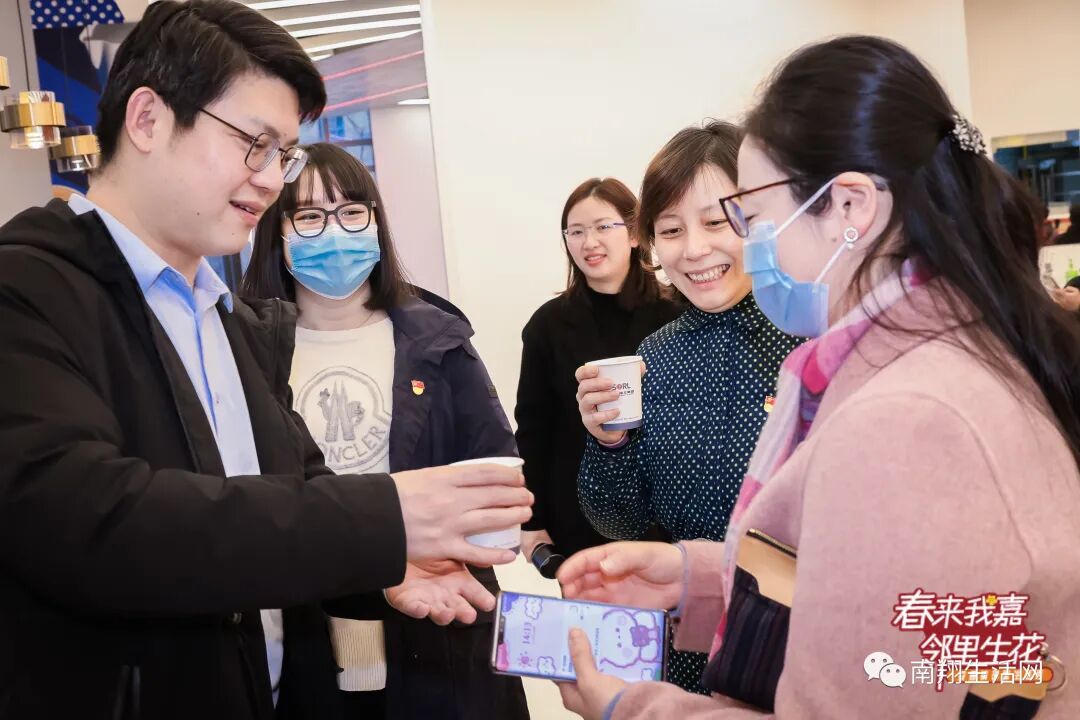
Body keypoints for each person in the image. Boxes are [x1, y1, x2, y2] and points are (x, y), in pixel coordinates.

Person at [0, 3, 531, 718]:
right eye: (255, 144)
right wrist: (384, 518)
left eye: (284, 153)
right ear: (148, 120)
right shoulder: (27, 290)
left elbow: (289, 490)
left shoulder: (230, 317)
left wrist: (384, 568)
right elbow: (97, 522)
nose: (272, 180)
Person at [556, 36, 1080, 720]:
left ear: (851, 208)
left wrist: (631, 707)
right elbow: (911, 629)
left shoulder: (909, 414)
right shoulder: (939, 353)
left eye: (748, 216)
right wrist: (702, 580)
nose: (739, 242)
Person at [242, 142, 530, 720]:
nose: (335, 232)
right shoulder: (250, 350)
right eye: (310, 216)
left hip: (440, 624)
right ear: (278, 231)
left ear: (376, 221)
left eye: (352, 212)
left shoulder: (438, 340)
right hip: (306, 626)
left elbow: (495, 468)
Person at [573, 122, 802, 692]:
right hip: (694, 640)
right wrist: (607, 442)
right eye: (671, 230)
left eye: (717, 222)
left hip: (803, 633)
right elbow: (619, 522)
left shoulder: (809, 337)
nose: (694, 249)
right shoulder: (657, 355)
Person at [515, 178, 681, 564]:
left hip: (668, 514)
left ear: (636, 234)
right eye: (576, 231)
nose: (589, 242)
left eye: (603, 226)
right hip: (576, 514)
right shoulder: (547, 325)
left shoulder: (679, 314)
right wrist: (532, 522)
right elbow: (534, 431)